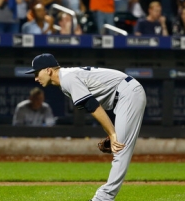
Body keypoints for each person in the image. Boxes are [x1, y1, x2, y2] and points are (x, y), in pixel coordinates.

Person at [25, 53, 146, 201]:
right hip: (123, 95)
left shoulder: (67, 79)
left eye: (37, 73)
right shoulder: (65, 81)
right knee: (119, 146)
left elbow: (93, 107)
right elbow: (95, 108)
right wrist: (111, 132)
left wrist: (113, 134)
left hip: (128, 94)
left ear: (48, 70)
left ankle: (103, 198)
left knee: (120, 147)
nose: (36, 78)